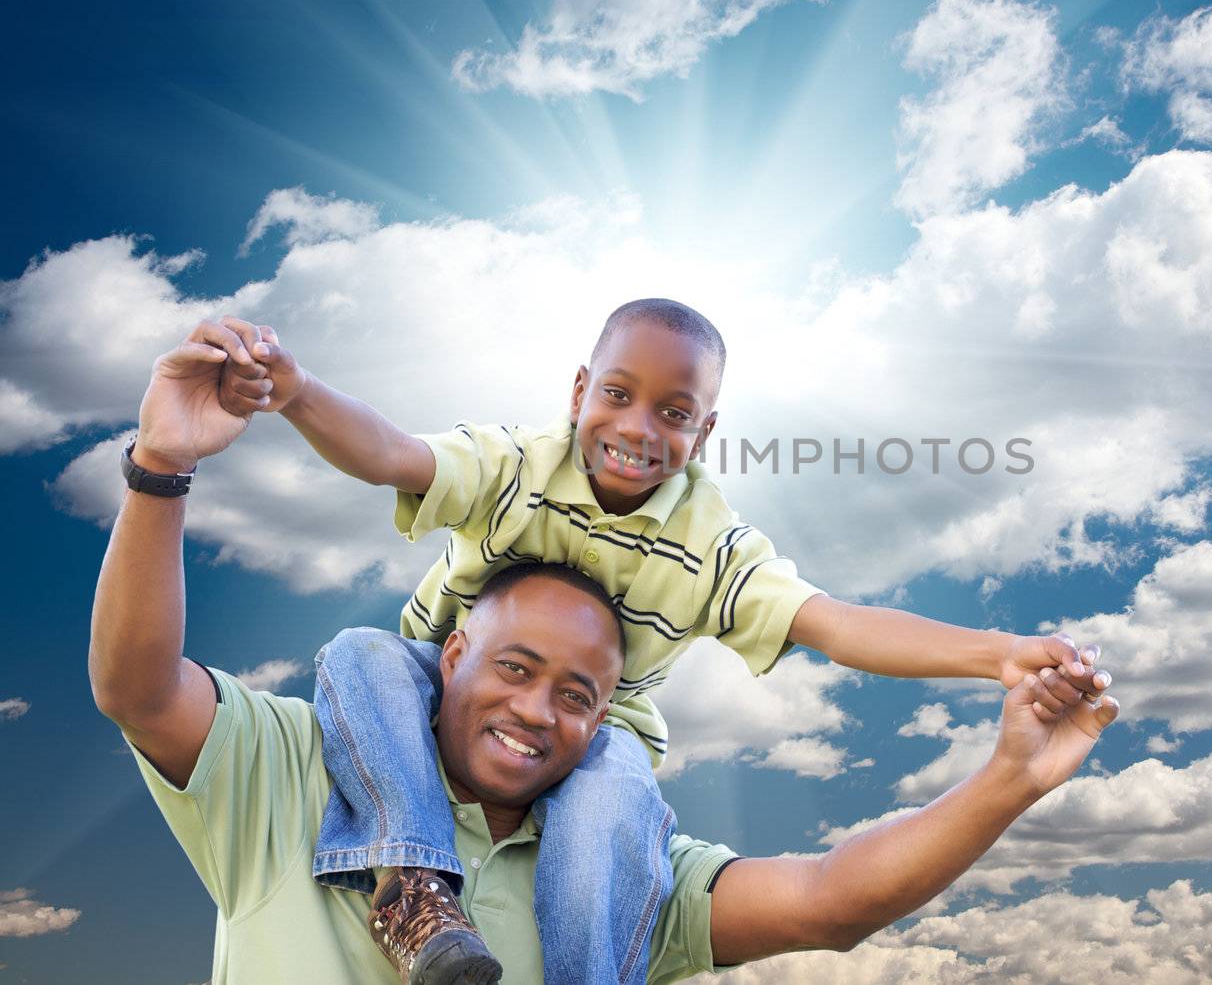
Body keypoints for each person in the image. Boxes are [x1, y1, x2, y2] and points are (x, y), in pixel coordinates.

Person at [90, 322, 1122, 985]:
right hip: (397, 697)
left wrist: (1002, 689)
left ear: (706, 430)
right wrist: (253, 415)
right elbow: (391, 456)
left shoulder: (704, 562)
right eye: (513, 667)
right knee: (360, 651)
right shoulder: (296, 768)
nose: (638, 428)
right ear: (580, 385)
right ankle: (411, 881)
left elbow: (835, 638)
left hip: (612, 763)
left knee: (616, 792)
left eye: (673, 412)